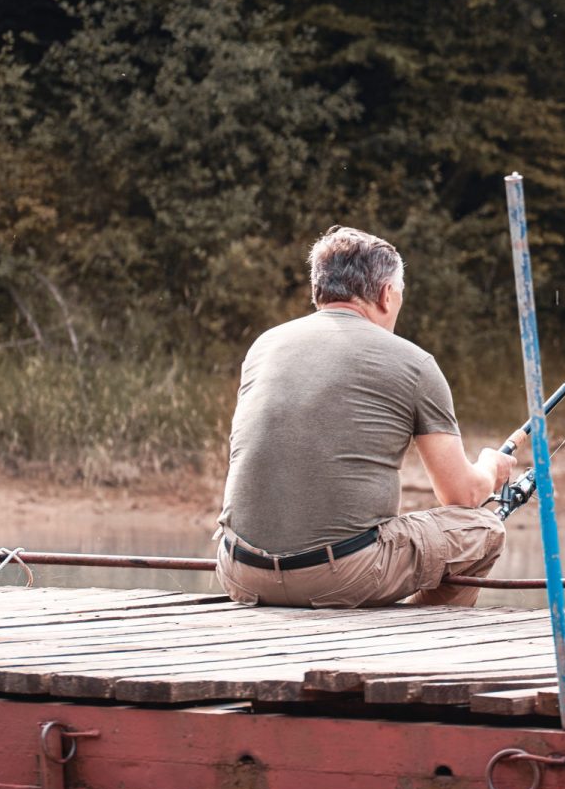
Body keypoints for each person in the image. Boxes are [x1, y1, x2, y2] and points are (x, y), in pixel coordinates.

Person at [215, 226, 516, 608]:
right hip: (341, 576)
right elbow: (462, 495)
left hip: (240, 572)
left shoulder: (265, 346)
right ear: (386, 294)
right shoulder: (415, 363)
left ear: (319, 289)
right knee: (484, 529)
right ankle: (424, 638)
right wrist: (491, 465)